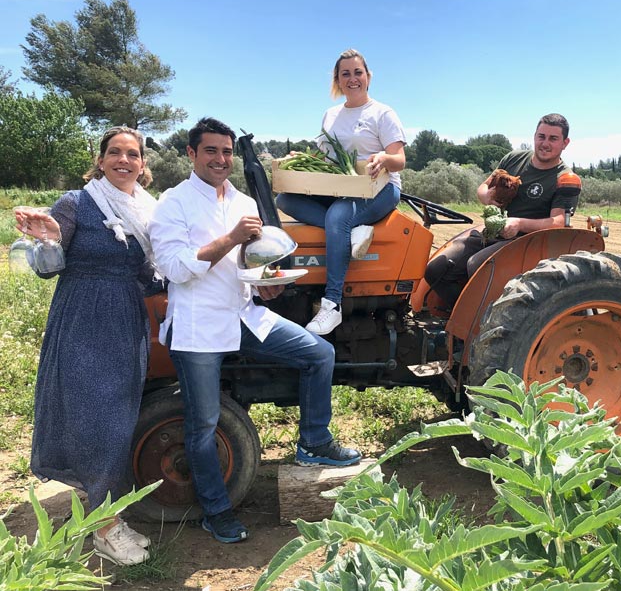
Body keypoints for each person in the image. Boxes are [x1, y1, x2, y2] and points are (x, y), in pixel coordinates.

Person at [149, 117, 360, 545]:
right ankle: (216, 511)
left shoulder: (244, 201)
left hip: (244, 314)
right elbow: (172, 268)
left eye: (226, 152)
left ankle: (314, 441)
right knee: (204, 424)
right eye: (211, 151)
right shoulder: (173, 203)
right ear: (191, 154)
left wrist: (270, 285)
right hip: (198, 324)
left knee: (319, 354)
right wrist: (230, 239)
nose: (221, 159)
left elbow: (254, 267)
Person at [15, 126, 159, 566]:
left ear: (142, 164)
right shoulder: (77, 203)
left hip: (125, 322)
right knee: (96, 419)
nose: (123, 160)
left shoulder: (147, 212)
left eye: (132, 154)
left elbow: (149, 275)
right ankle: (104, 528)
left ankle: (104, 512)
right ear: (100, 160)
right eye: (114, 152)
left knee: (116, 419)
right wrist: (49, 240)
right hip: (82, 318)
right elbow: (47, 269)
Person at [276, 49, 407, 335]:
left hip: (380, 188)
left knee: (337, 217)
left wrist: (383, 158)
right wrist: (302, 158)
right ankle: (353, 230)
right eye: (345, 73)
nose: (352, 78)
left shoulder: (382, 113)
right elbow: (326, 161)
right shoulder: (331, 114)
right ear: (337, 79)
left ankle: (332, 304)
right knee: (284, 199)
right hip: (342, 188)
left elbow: (399, 159)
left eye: (357, 72)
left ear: (368, 76)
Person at [424, 113, 577, 309]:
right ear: (534, 136)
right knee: (436, 270)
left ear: (565, 143)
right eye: (541, 136)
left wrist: (519, 223)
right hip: (495, 233)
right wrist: (486, 196)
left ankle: (490, 329)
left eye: (553, 138)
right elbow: (483, 188)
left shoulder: (565, 178)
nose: (545, 143)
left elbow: (558, 222)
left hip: (529, 242)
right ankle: (464, 323)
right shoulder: (513, 159)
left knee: (476, 266)